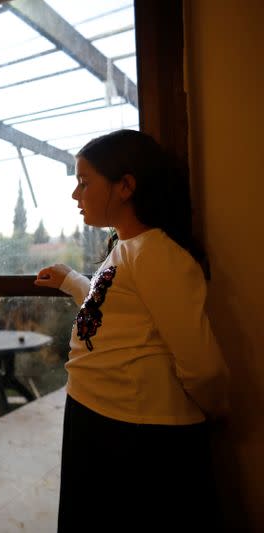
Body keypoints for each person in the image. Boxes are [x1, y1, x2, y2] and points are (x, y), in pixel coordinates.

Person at [34, 130, 229, 532]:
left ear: (125, 186)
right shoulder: (126, 248)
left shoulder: (158, 253)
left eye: (84, 182)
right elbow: (113, 310)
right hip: (99, 417)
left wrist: (215, 410)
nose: (76, 194)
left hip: (136, 436)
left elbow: (202, 364)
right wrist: (72, 280)